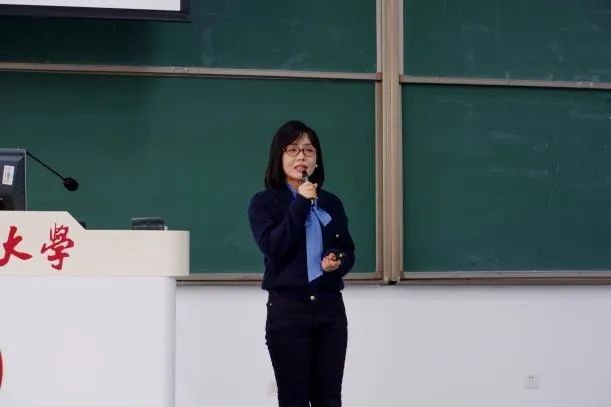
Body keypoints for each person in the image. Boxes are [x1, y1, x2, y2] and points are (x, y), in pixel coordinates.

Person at [248, 120, 355, 407]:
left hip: (330, 311)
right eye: (293, 150)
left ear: (317, 159)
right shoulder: (264, 203)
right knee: (293, 399)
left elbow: (347, 250)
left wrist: (336, 261)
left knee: (328, 399)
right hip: (289, 311)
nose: (301, 157)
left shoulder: (331, 203)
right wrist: (301, 203)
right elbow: (274, 247)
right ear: (279, 157)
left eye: (308, 150)